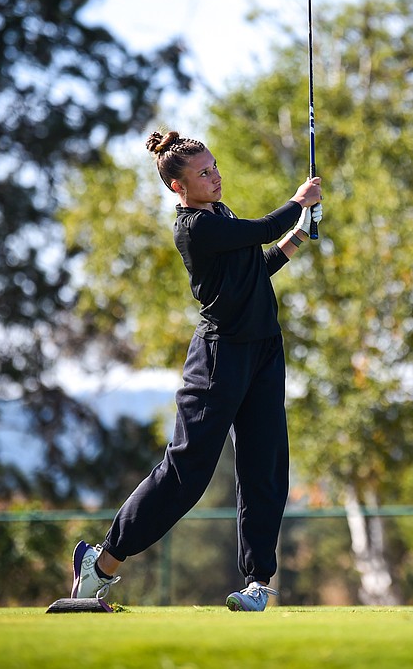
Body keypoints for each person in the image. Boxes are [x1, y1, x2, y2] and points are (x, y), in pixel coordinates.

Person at [69, 129, 323, 612]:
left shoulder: (221, 215)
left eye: (214, 167)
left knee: (264, 467)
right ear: (177, 187)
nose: (215, 177)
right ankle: (102, 561)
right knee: (187, 473)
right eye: (204, 174)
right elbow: (257, 230)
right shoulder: (194, 228)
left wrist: (296, 239)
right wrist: (298, 202)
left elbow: (253, 268)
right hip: (218, 357)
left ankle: (257, 583)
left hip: (264, 350)